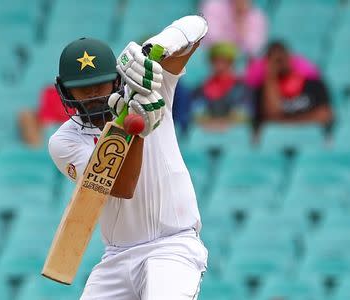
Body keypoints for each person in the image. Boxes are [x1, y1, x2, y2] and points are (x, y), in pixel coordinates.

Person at [48, 15, 209, 299]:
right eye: (83, 88)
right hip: (117, 256)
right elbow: (121, 187)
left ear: (115, 79)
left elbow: (197, 26)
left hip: (172, 246)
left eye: (100, 84)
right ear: (65, 90)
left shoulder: (152, 85)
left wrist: (157, 47)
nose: (93, 94)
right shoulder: (64, 142)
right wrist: (135, 123)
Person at [254, 41, 333, 133]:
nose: (280, 63)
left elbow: (325, 114)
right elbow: (270, 116)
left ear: (290, 58)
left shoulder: (314, 84)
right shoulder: (264, 89)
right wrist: (270, 76)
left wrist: (285, 121)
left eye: (283, 57)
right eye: (276, 60)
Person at [191, 42, 254, 131]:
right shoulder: (200, 89)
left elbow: (244, 115)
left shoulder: (242, 89)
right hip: (207, 133)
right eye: (215, 60)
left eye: (223, 61)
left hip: (235, 136)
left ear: (231, 62)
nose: (219, 64)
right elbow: (197, 114)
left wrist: (223, 123)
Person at [201, 0, 267, 57]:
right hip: (213, 60)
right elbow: (211, 39)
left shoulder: (257, 17)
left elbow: (255, 50)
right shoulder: (213, 6)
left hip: (240, 65)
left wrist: (241, 20)